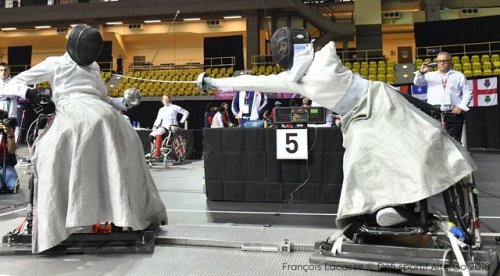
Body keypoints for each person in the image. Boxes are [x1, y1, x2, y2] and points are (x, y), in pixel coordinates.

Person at [201, 27, 475, 230]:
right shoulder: (291, 80)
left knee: (413, 143)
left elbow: (321, 47)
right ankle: (382, 210)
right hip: (355, 117)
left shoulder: (325, 55)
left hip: (378, 101)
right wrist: (213, 82)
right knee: (358, 160)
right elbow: (251, 82)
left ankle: (413, 202)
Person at [0, 24, 167, 253]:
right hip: (69, 108)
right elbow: (12, 84)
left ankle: (121, 209)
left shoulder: (93, 68)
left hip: (101, 110)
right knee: (64, 141)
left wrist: (124, 103)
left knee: (128, 137)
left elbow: (105, 98)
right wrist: (32, 93)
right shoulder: (54, 63)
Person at [413, 52, 472, 141]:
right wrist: (421, 72)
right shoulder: (430, 75)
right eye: (440, 61)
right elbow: (417, 83)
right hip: (434, 113)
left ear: (450, 62)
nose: (442, 63)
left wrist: (461, 106)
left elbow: (468, 92)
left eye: (445, 60)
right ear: (437, 62)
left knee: (454, 141)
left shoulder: (458, 75)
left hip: (453, 113)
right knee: (434, 141)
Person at [0, 110, 18, 193]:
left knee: (12, 186)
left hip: (6, 165)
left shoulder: (8, 131)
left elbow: (11, 151)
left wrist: (9, 135)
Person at [0, 63, 19, 139]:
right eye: (1, 70)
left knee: (10, 136)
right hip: (0, 112)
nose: (3, 72)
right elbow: (11, 94)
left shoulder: (15, 82)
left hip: (11, 113)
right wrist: (9, 93)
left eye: (5, 70)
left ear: (9, 71)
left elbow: (13, 93)